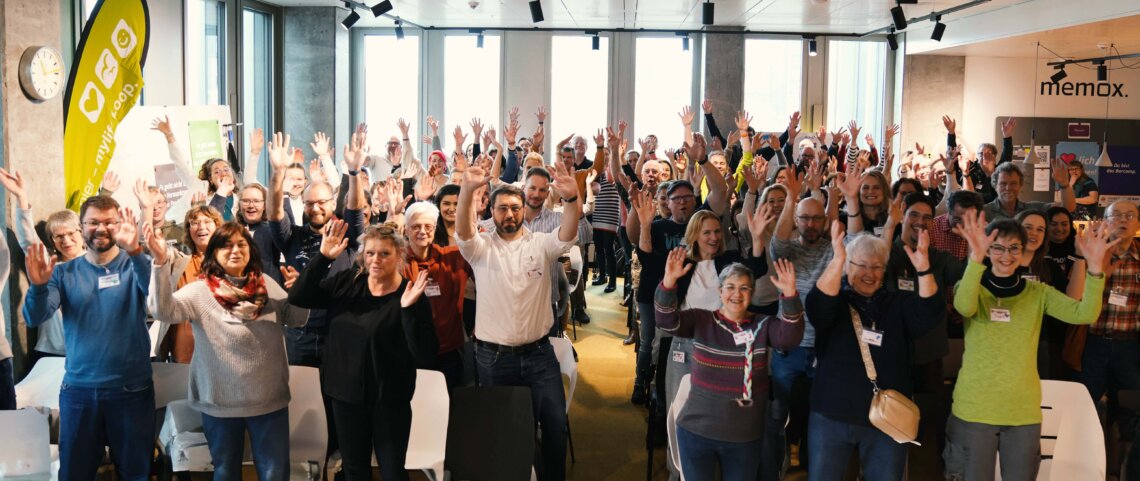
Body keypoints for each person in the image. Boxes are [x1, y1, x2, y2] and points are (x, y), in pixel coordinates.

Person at [945, 212, 1113, 481]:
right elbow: (964, 306)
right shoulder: (973, 288)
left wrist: (1094, 268)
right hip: (974, 408)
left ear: (1024, 253)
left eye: (1014, 248)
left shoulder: (1038, 293)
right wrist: (975, 258)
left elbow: (1085, 314)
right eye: (997, 247)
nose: (1006, 255)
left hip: (1022, 411)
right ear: (988, 250)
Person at [149, 222, 308, 481]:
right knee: (225, 472)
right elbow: (163, 311)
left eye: (241, 244)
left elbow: (296, 318)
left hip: (268, 400)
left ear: (251, 250)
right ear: (214, 252)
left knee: (275, 473)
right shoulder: (200, 291)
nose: (235, 250)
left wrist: (300, 292)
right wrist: (159, 264)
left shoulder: (265, 284)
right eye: (226, 245)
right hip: (219, 403)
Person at [455, 158, 581, 481]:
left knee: (554, 425)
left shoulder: (541, 244)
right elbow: (463, 232)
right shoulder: (480, 248)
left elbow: (567, 232)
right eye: (501, 209)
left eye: (514, 208)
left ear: (524, 209)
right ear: (492, 212)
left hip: (539, 355)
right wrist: (467, 191)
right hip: (494, 358)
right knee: (503, 432)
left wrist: (571, 199)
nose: (508, 214)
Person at [289, 221, 438, 481]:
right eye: (370, 253)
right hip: (346, 397)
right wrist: (323, 258)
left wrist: (409, 311)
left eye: (384, 253)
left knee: (392, 472)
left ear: (399, 255)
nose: (376, 260)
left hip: (389, 400)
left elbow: (425, 354)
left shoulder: (410, 294)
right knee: (355, 469)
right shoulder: (347, 283)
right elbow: (299, 297)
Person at [23, 195, 155, 481]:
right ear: (82, 227)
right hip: (79, 392)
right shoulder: (63, 272)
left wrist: (135, 252)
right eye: (93, 222)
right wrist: (37, 287)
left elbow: (155, 296)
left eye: (109, 222)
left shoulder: (135, 264)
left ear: (120, 225)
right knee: (74, 473)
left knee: (136, 473)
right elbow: (35, 317)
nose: (101, 228)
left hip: (131, 390)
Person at [805, 223, 943, 480]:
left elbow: (929, 312)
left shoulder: (896, 303)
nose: (869, 273)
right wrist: (838, 259)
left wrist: (923, 268)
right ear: (848, 267)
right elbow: (817, 307)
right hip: (832, 416)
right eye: (861, 265)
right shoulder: (836, 300)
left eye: (876, 266)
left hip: (888, 421)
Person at [656, 254, 803, 481]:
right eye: (731, 287)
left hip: (744, 438)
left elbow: (790, 338)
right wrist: (668, 281)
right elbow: (666, 321)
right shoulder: (701, 320)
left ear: (751, 293)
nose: (737, 294)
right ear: (720, 291)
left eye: (744, 288)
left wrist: (790, 295)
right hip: (696, 433)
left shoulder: (763, 325)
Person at [764, 168, 835, 480]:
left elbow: (849, 236)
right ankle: (776, 467)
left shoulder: (833, 251)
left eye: (816, 218)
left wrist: (831, 197)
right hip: (788, 347)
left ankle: (812, 465)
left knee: (820, 415)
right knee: (777, 413)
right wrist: (792, 198)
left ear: (824, 221)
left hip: (823, 347)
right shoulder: (787, 250)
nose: (810, 224)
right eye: (804, 218)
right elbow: (778, 239)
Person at [1076, 201, 1140, 472]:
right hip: (1094, 343)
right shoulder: (1094, 253)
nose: (1123, 220)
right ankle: (1083, 465)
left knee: (1132, 409)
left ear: (1137, 223)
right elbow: (1077, 296)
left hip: (1130, 346)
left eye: (1130, 216)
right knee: (1085, 406)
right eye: (1116, 216)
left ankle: (1127, 467)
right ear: (1105, 221)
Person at [0, 168, 74, 363]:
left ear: (82, 232)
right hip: (51, 354)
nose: (66, 240)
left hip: (91, 353)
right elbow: (28, 240)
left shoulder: (98, 266)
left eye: (70, 233)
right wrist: (21, 197)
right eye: (58, 236)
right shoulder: (51, 266)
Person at [403, 201, 470, 389]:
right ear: (406, 230)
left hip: (449, 353)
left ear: (435, 228)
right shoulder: (396, 262)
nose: (422, 231)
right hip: (409, 353)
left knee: (450, 407)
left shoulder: (454, 258)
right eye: (416, 226)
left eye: (428, 226)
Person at [151, 204, 224, 363]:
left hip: (221, 346)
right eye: (194, 223)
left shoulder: (230, 262)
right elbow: (162, 256)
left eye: (207, 221)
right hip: (184, 348)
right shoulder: (179, 261)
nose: (201, 227)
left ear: (218, 226)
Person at [982, 161, 1075, 221]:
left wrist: (1064, 185)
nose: (1008, 188)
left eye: (1013, 183)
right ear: (995, 185)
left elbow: (1067, 208)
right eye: (1003, 184)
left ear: (1020, 185)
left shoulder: (1033, 209)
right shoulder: (984, 212)